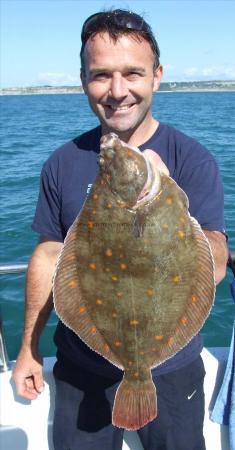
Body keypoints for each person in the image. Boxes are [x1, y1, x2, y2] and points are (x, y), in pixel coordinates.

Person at [13, 9, 228, 450]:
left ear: (157, 76)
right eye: (101, 75)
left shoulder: (192, 159)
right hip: (81, 367)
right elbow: (51, 254)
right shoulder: (61, 162)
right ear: (83, 79)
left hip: (172, 368)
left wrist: (170, 210)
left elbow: (217, 256)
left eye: (133, 73)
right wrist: (28, 348)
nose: (117, 91)